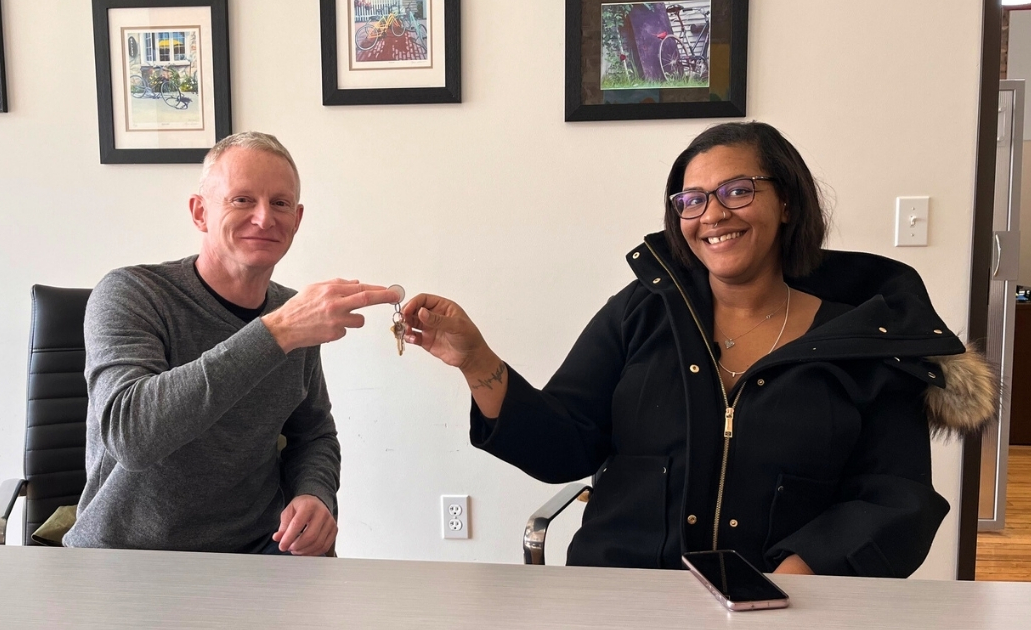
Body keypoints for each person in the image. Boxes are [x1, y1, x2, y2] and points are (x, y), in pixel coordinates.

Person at [400, 122, 995, 577]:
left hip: (782, 606)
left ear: (786, 202)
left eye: (737, 191)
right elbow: (567, 443)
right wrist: (477, 361)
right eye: (691, 200)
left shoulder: (863, 341)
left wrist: (799, 578)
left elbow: (896, 498)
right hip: (621, 596)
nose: (712, 214)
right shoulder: (641, 312)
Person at [64, 132, 400, 555]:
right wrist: (276, 333)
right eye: (242, 200)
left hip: (256, 554)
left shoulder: (291, 312)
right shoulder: (131, 293)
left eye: (280, 203)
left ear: (297, 219)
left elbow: (313, 434)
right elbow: (132, 435)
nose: (264, 218)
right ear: (200, 212)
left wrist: (315, 493)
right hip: (127, 557)